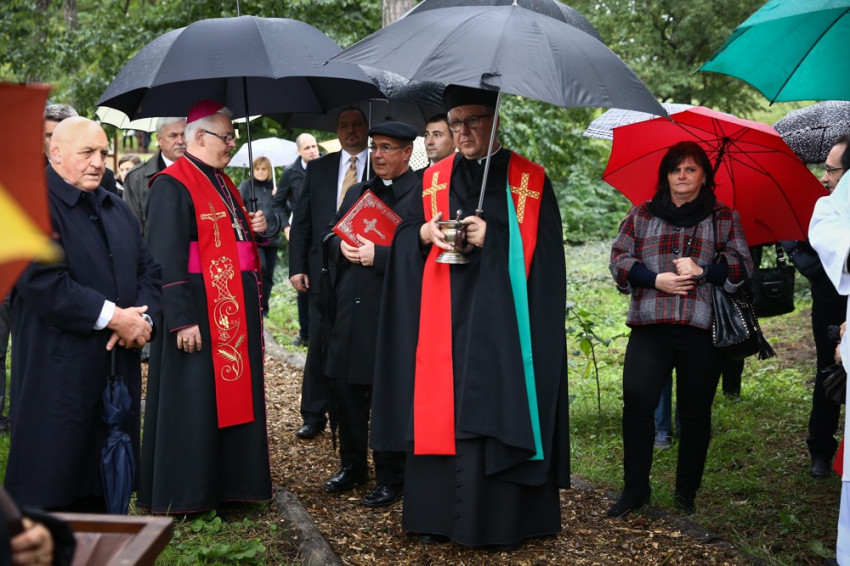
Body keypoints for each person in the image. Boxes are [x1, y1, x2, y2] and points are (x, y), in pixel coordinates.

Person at [370, 85, 570, 548]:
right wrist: (424, 233)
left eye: (472, 121)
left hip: (503, 329)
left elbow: (548, 266)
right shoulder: (433, 179)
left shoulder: (529, 181)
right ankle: (437, 518)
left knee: (494, 404)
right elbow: (402, 236)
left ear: (495, 120)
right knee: (441, 410)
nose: (462, 132)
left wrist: (495, 237)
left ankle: (505, 522)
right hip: (444, 323)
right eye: (455, 122)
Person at [6, 117, 161, 512]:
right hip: (57, 372)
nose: (98, 162)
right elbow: (45, 283)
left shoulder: (115, 206)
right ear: (55, 154)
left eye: (103, 153)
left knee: (106, 485)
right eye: (87, 152)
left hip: (115, 368)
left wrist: (142, 322)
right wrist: (115, 318)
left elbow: (149, 271)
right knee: (53, 483)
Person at [138, 100, 275, 514]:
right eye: (226, 137)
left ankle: (231, 484)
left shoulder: (222, 181)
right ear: (199, 136)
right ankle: (190, 492)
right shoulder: (171, 184)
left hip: (229, 312)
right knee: (195, 403)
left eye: (233, 137)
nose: (232, 144)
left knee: (226, 400)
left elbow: (233, 246)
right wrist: (181, 319)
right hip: (198, 312)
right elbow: (164, 258)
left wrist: (255, 231)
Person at [608, 141, 752, 518]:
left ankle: (686, 494)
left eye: (691, 169)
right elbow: (619, 259)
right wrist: (655, 279)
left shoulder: (723, 217)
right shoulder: (641, 214)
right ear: (666, 176)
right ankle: (634, 490)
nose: (682, 176)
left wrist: (704, 270)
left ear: (704, 176)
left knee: (694, 413)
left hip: (701, 331)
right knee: (637, 403)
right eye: (676, 170)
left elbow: (742, 265)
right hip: (650, 326)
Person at [321, 121, 418, 508]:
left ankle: (392, 476)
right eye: (375, 147)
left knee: (387, 394)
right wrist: (339, 247)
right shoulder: (359, 191)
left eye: (387, 148)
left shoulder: (421, 195)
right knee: (346, 389)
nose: (377, 154)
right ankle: (353, 465)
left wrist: (379, 256)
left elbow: (423, 254)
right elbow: (330, 233)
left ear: (407, 153)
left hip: (390, 312)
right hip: (350, 307)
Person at [287, 108, 370, 440]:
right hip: (321, 268)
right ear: (336, 131)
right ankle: (313, 413)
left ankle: (355, 412)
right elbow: (302, 219)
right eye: (344, 125)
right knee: (320, 340)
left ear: (367, 128)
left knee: (357, 340)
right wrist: (297, 267)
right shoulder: (319, 168)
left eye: (357, 125)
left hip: (363, 268)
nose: (351, 131)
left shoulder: (378, 167)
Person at [789, 136, 850, 480]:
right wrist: (819, 271)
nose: (824, 177)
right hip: (830, 297)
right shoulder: (824, 206)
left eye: (831, 170)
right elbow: (797, 243)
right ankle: (821, 448)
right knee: (830, 367)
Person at [273, 133, 320, 345]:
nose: (312, 151)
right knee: (303, 281)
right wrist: (286, 226)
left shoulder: (327, 165)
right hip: (301, 233)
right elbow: (277, 203)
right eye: (307, 148)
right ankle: (306, 334)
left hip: (324, 229)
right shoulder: (290, 172)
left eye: (314, 146)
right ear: (299, 151)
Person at [238, 155, 284, 318]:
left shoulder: (275, 187)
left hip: (273, 236)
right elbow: (239, 206)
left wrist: (279, 196)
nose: (260, 172)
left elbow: (285, 210)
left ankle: (264, 308)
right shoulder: (246, 185)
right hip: (255, 237)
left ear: (269, 170)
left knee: (268, 275)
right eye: (257, 169)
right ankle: (254, 304)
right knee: (260, 268)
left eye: (264, 169)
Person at [122, 117, 187, 231]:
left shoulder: (203, 172)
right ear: (159, 139)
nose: (180, 141)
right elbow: (132, 229)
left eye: (184, 135)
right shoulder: (137, 178)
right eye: (173, 136)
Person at [43, 104, 118, 195]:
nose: (56, 141)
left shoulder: (104, 177)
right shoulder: (30, 175)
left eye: (65, 136)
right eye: (51, 136)